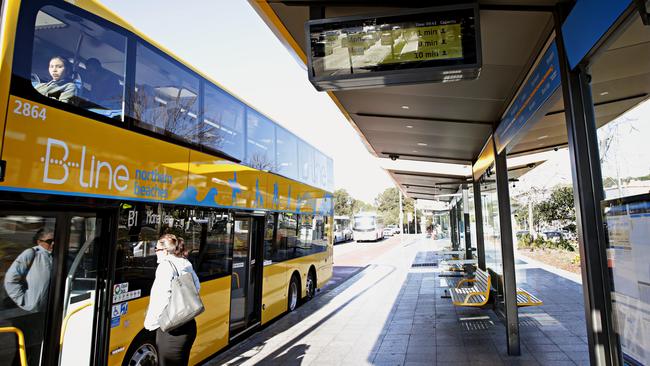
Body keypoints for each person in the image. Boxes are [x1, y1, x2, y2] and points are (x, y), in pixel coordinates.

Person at [144, 234, 200, 366]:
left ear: (164, 251)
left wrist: (150, 324)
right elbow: (197, 287)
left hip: (172, 329)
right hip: (188, 324)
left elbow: (161, 298)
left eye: (156, 249)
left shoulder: (165, 266)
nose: (155, 252)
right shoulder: (185, 263)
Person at [4, 228, 54, 312]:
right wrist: (23, 300)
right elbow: (10, 279)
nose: (53, 243)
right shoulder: (31, 253)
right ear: (39, 242)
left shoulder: (53, 256)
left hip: (45, 310)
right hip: (30, 310)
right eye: (49, 241)